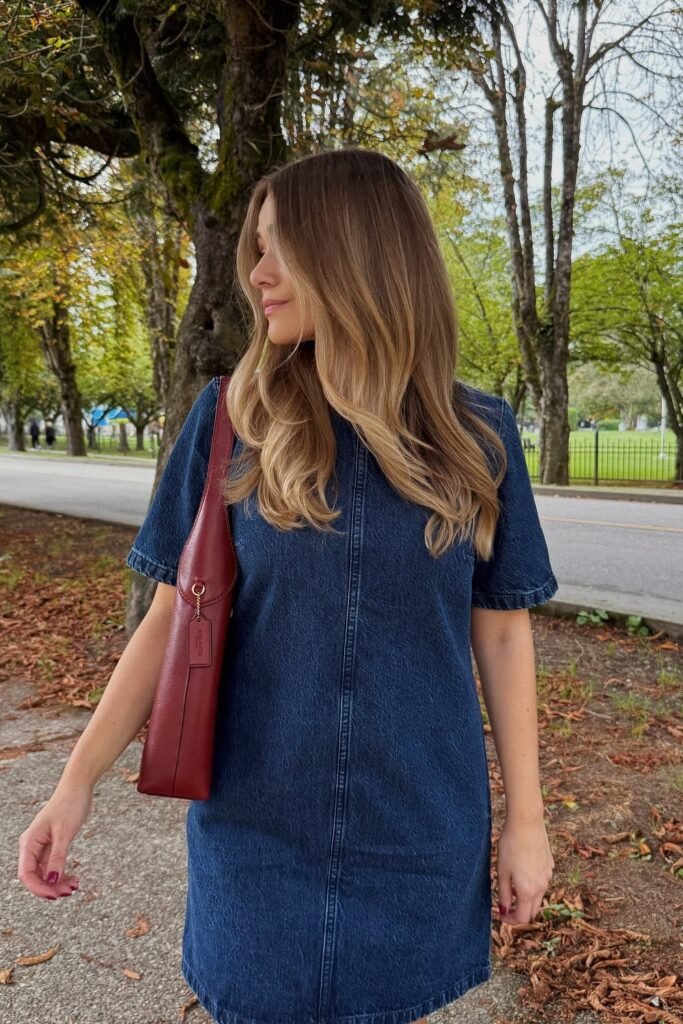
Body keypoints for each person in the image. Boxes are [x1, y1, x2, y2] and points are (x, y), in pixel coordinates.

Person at [17, 147, 558, 1024]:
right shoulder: (233, 419)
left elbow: (500, 632)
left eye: (280, 250)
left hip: (416, 828)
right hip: (256, 831)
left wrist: (525, 822)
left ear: (355, 256)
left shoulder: (478, 436)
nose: (257, 275)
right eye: (256, 249)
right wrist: (74, 784)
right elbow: (168, 619)